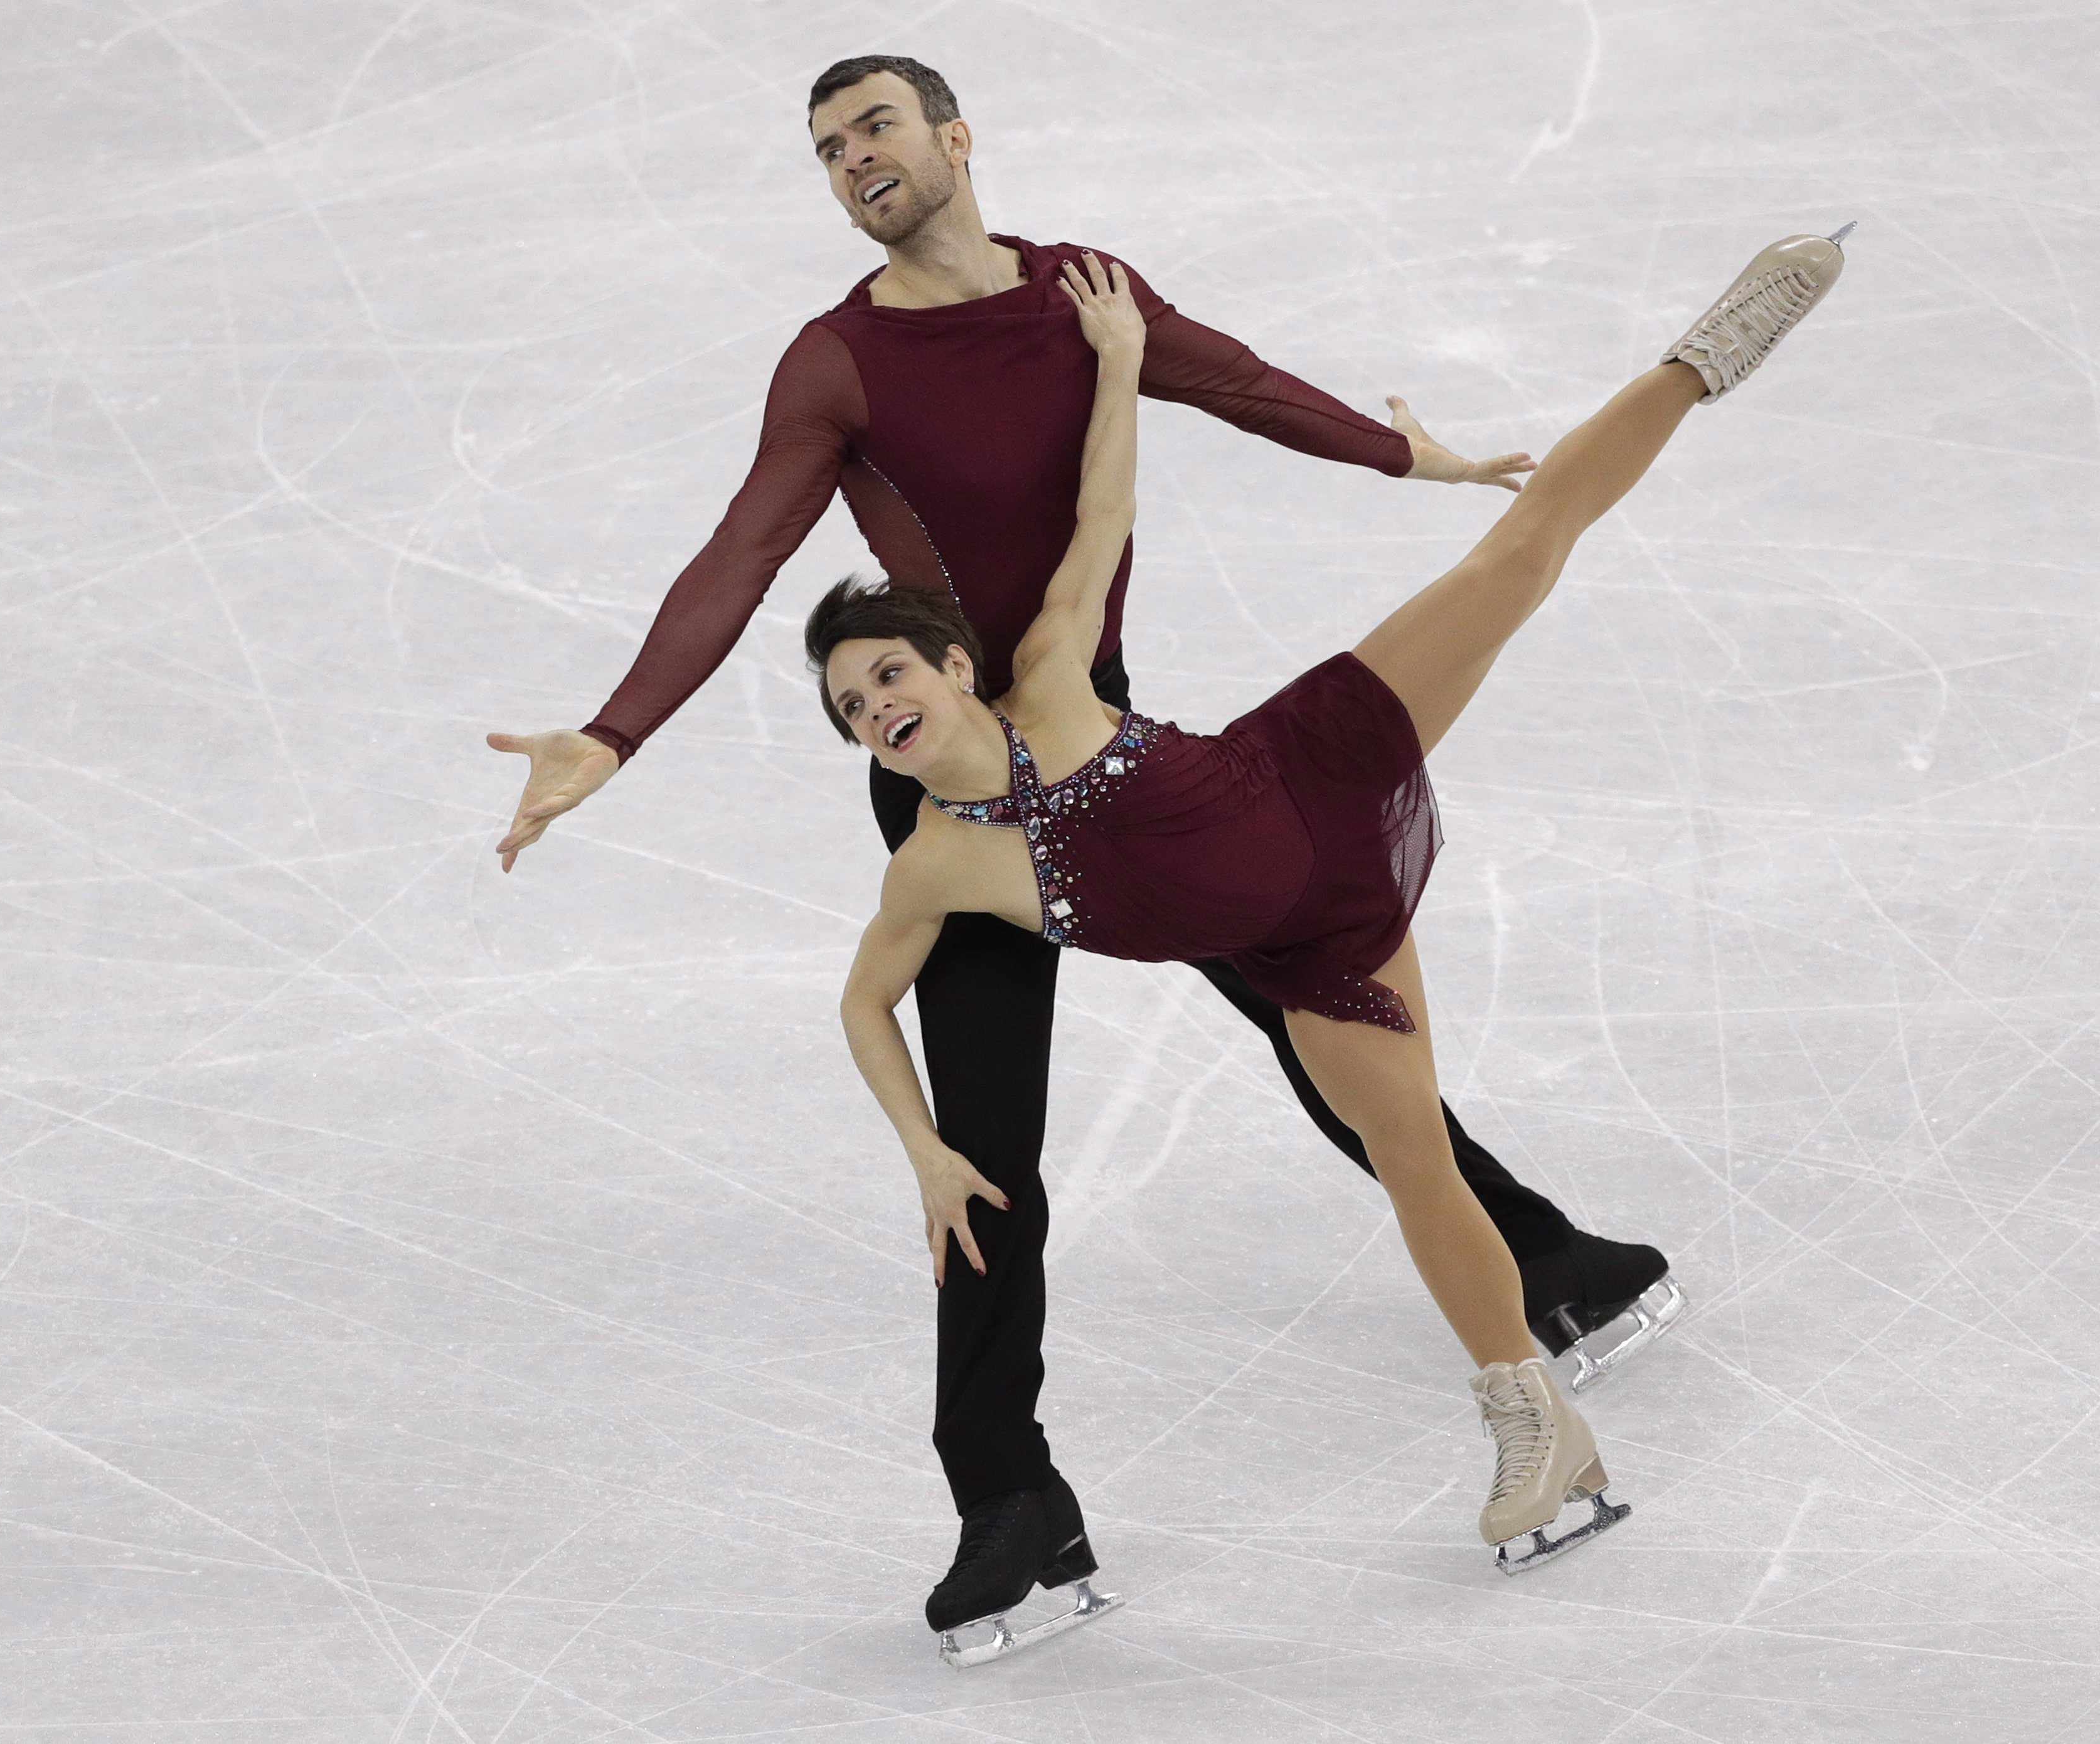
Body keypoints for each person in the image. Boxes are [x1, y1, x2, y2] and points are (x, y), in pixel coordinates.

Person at [487, 52, 1684, 1637]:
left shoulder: (1080, 296)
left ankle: (1537, 1260)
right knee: (985, 1155)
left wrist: (1416, 459)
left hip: (1093, 729)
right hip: (956, 808)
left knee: (1316, 1004)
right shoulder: (836, 363)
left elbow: (1235, 382)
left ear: (956, 138)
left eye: (878, 130)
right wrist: (617, 728)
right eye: (830, 148)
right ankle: (1010, 1501)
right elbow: (742, 548)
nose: (856, 161)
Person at [819, 232, 1848, 1660]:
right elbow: (867, 1003)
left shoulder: (1050, 670)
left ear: (945, 663)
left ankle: (1709, 349)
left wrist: (1117, 366)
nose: (877, 706)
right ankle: (1536, 1426)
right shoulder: (937, 863)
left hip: (1312, 762)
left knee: (1522, 548)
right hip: (1314, 944)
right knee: (1410, 1150)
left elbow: (1102, 507)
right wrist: (928, 1149)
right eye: (851, 706)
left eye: (888, 673)